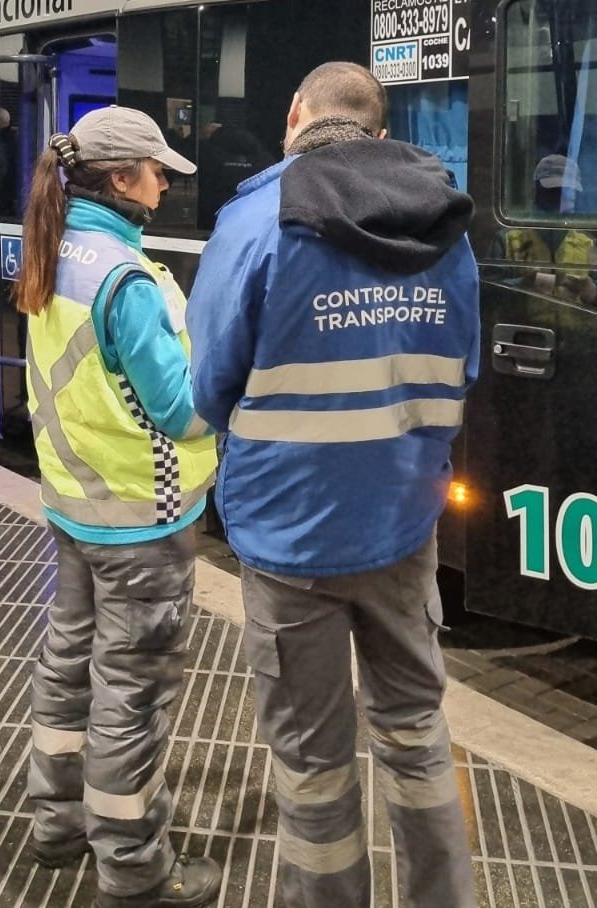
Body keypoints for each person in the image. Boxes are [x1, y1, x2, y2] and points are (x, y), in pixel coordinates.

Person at [186, 62, 478, 908]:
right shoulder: (446, 224)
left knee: (314, 764)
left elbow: (209, 386)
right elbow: (465, 365)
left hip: (289, 538)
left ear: (294, 115)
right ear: (378, 132)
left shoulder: (258, 221)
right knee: (417, 735)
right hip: (403, 524)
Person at [14, 106, 221, 908]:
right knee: (130, 698)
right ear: (119, 178)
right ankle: (135, 870)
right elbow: (181, 411)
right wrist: (224, 370)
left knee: (68, 673)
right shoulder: (124, 277)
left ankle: (57, 827)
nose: (165, 183)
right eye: (156, 170)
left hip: (75, 511)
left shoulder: (55, 246)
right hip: (144, 520)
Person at [491, 154, 597, 308]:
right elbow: (488, 293)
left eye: (567, 191)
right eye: (553, 191)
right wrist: (523, 284)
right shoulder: (509, 240)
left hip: (579, 331)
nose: (560, 198)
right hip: (525, 330)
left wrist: (591, 290)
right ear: (536, 191)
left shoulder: (588, 244)